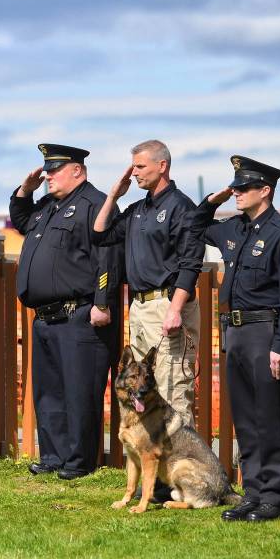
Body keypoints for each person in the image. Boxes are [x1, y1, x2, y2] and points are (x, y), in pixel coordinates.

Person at [185, 156, 280, 522]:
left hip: (265, 333)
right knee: (246, 418)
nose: (237, 192)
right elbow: (193, 227)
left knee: (273, 417)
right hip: (235, 334)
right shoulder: (233, 229)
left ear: (265, 190)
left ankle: (276, 496)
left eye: (243, 187)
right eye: (234, 186)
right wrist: (214, 199)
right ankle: (253, 492)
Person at [10, 143, 122, 480]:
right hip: (46, 317)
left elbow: (107, 257)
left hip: (80, 315)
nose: (48, 176)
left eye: (55, 170)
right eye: (47, 170)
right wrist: (24, 192)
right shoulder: (47, 206)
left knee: (79, 391)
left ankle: (79, 460)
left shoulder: (95, 204)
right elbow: (20, 222)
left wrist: (102, 303)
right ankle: (54, 456)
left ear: (77, 170)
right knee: (49, 393)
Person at [92, 139, 204, 422]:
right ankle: (154, 462)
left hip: (166, 305)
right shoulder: (138, 208)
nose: (134, 173)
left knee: (172, 390)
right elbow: (100, 235)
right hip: (140, 307)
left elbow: (190, 264)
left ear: (162, 165)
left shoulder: (182, 207)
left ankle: (182, 464)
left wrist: (175, 310)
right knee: (145, 390)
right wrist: (113, 197)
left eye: (140, 166)